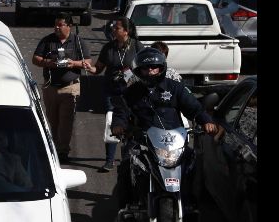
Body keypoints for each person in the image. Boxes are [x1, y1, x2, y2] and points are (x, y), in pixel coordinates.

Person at [110, 47, 217, 206]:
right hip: (143, 141)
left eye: (154, 67)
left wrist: (206, 121)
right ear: (139, 70)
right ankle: (125, 208)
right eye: (146, 68)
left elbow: (194, 108)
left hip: (175, 141)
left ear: (162, 67)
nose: (151, 71)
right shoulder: (131, 92)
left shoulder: (175, 88)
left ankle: (199, 205)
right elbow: (121, 112)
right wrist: (119, 125)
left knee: (196, 163)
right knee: (127, 164)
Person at [86, 16, 145, 172]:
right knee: (112, 122)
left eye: (116, 28)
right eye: (113, 28)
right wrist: (89, 68)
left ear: (126, 31)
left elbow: (145, 68)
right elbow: (98, 69)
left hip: (131, 92)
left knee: (130, 123)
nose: (113, 30)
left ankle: (127, 158)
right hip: (111, 91)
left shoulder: (137, 46)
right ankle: (109, 160)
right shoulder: (108, 48)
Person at [32, 13, 92, 162]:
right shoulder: (47, 41)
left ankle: (63, 152)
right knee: (53, 120)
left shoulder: (78, 42)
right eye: (55, 25)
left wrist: (74, 64)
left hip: (70, 87)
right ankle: (54, 148)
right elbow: (35, 59)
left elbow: (88, 62)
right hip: (50, 87)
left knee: (66, 121)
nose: (56, 28)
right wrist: (50, 63)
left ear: (69, 26)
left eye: (60, 25)